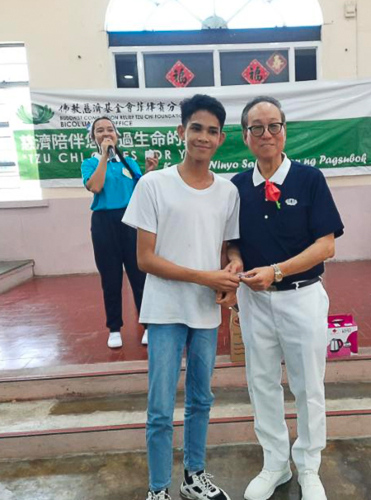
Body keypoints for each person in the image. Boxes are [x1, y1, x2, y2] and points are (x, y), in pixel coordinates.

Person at [122, 94, 241, 500]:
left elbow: (229, 248)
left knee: (201, 400)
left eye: (211, 131)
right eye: (196, 128)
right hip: (165, 309)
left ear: (221, 138)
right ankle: (158, 489)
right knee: (159, 408)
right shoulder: (154, 184)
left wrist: (230, 271)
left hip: (206, 311)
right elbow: (145, 259)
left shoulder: (227, 192)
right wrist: (204, 276)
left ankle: (194, 477)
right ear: (181, 132)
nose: (203, 137)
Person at [229, 96, 344, 500]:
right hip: (254, 301)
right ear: (244, 137)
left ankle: (309, 466)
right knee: (261, 382)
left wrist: (278, 271)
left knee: (308, 384)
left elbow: (326, 246)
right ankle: (275, 463)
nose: (266, 134)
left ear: (284, 131)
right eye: (256, 127)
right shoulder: (238, 187)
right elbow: (232, 245)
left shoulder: (309, 179)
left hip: (302, 297)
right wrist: (235, 262)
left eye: (273, 125)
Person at [81, 116, 158, 349]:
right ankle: (114, 328)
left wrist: (148, 172)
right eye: (100, 130)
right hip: (105, 223)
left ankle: (148, 325)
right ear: (93, 137)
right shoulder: (90, 163)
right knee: (111, 278)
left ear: (117, 134)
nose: (106, 133)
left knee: (140, 276)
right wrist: (104, 156)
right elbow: (95, 186)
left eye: (110, 129)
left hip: (131, 222)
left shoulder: (129, 162)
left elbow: (142, 192)